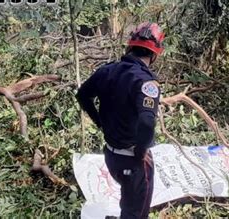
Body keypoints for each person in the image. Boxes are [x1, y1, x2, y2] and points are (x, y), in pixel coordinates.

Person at [76, 22, 165, 218]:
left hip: (111, 156)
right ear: (155, 54)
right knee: (136, 213)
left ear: (130, 46)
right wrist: (141, 151)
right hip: (133, 161)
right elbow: (147, 122)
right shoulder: (146, 82)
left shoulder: (106, 71)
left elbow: (83, 95)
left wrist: (99, 122)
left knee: (129, 201)